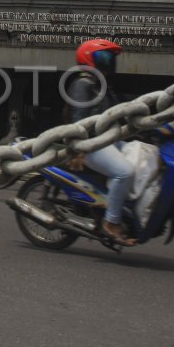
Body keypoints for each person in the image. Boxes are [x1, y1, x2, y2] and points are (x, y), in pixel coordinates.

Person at [67, 39, 136, 246]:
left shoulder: (102, 86)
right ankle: (111, 222)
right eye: (104, 57)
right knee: (124, 172)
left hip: (108, 141)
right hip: (91, 145)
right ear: (89, 59)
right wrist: (79, 150)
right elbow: (79, 119)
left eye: (110, 58)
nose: (109, 62)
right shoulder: (83, 83)